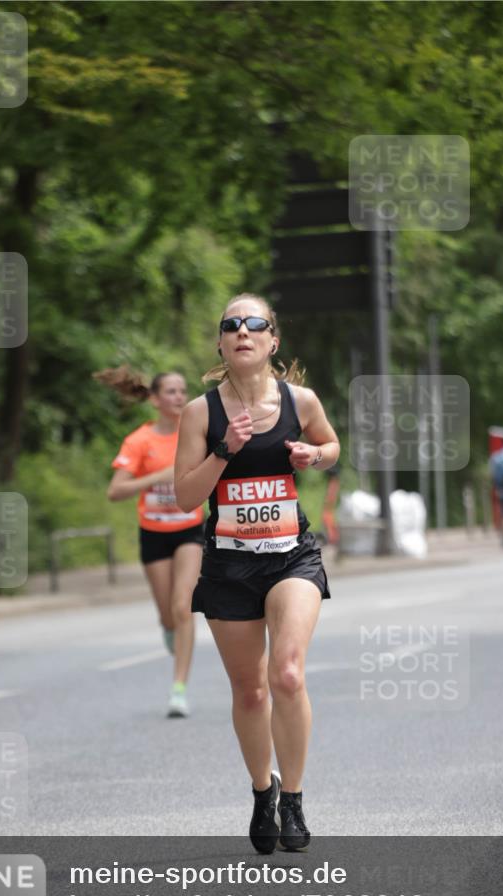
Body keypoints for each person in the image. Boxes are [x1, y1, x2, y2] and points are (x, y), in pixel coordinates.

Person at [174, 293, 340, 853]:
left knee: (287, 674)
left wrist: (312, 457)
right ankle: (261, 791)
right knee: (249, 692)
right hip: (229, 563)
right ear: (221, 343)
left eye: (255, 324)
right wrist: (225, 450)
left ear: (274, 340)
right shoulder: (201, 413)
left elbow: (331, 445)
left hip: (292, 554)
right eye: (231, 325)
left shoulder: (302, 400)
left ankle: (292, 800)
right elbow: (183, 498)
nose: (242, 331)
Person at [97, 368, 205, 718]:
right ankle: (170, 630)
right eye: (170, 392)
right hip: (154, 532)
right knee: (167, 614)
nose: (178, 397)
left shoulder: (196, 433)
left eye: (182, 390)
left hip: (190, 529)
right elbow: (115, 491)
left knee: (182, 605)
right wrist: (157, 478)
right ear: (155, 400)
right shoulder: (140, 441)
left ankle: (178, 690)